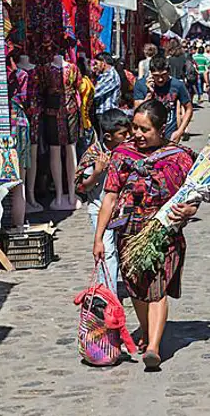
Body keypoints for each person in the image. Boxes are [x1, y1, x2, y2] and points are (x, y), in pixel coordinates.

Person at [93, 100, 198, 370]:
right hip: (129, 232)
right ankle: (146, 329)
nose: (137, 135)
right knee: (137, 287)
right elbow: (110, 196)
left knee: (157, 288)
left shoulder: (180, 157)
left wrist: (190, 208)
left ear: (161, 129)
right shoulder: (122, 155)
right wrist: (98, 237)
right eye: (135, 128)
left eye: (144, 130)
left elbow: (196, 192)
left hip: (165, 232)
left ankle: (153, 347)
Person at [75, 109, 131, 294]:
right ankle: (109, 295)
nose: (128, 136)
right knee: (107, 253)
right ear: (108, 136)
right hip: (99, 210)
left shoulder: (129, 150)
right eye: (123, 134)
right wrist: (98, 172)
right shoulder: (94, 154)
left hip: (125, 210)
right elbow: (82, 187)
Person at [133, 56, 193, 143]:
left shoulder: (177, 85)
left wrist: (180, 131)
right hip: (148, 138)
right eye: (156, 76)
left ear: (169, 71)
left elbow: (188, 108)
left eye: (164, 75)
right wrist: (149, 93)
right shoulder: (141, 85)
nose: (160, 79)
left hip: (170, 136)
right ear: (150, 73)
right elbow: (137, 111)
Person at [92, 52, 121, 139]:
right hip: (102, 113)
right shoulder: (104, 75)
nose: (95, 66)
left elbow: (95, 93)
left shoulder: (111, 76)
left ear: (103, 63)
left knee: (104, 140)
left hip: (106, 113)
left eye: (96, 63)